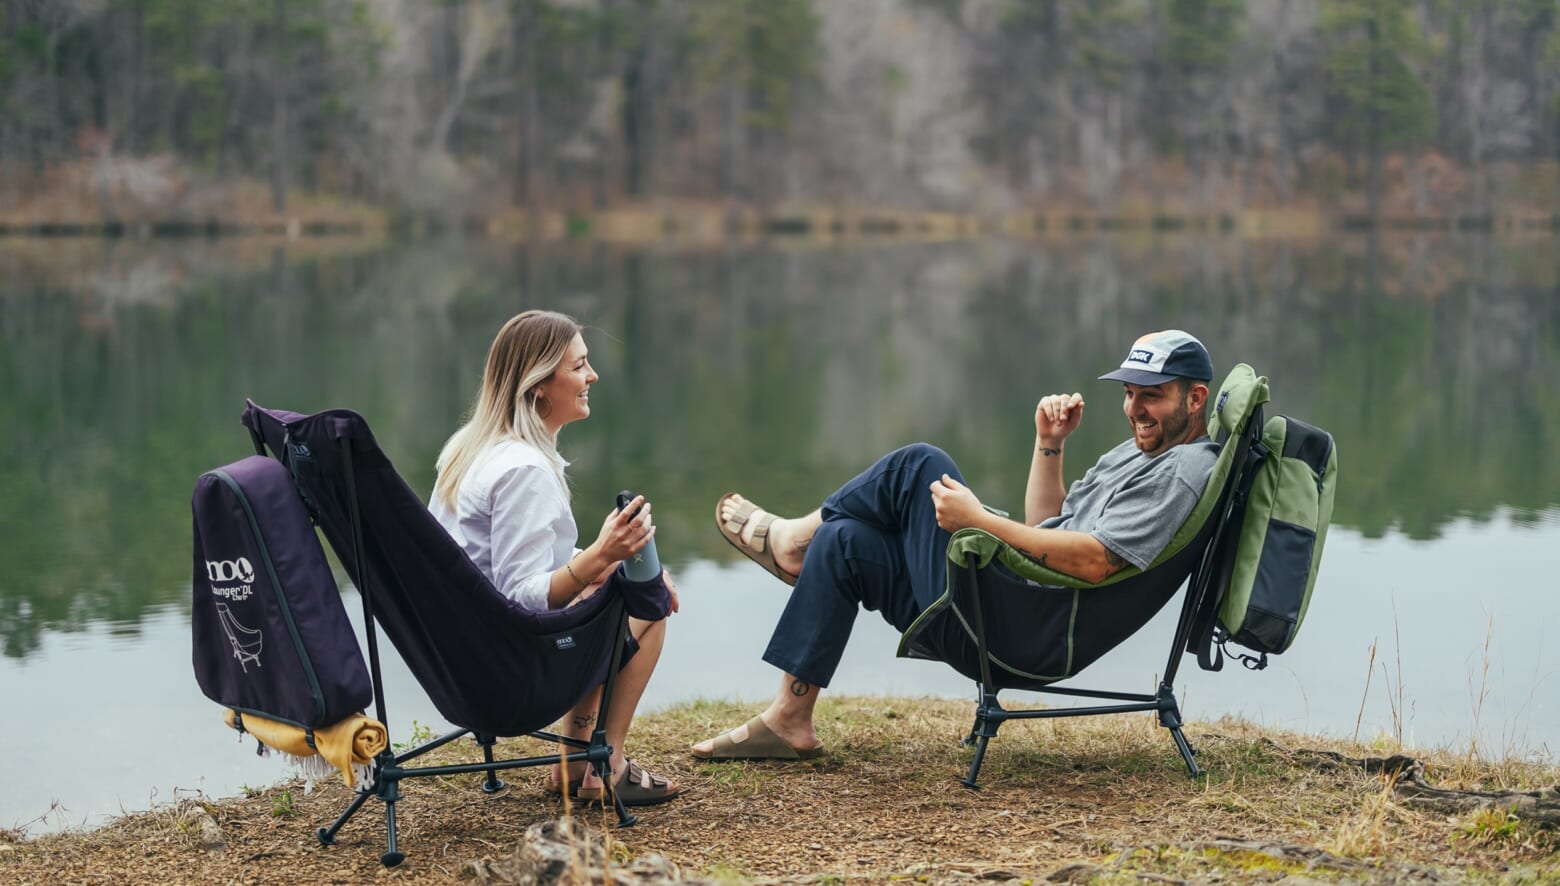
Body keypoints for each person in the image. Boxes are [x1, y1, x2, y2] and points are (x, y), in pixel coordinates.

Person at [693, 330, 1218, 761]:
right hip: (1014, 604)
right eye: (1129, 392)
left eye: (1151, 395)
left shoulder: (1182, 472)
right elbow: (1047, 526)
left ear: (1195, 399)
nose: (1134, 408)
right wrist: (1050, 445)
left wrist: (979, 522)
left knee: (921, 463)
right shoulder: (1139, 453)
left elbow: (1095, 562)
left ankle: (791, 545)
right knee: (844, 539)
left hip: (1024, 628)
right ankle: (789, 720)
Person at [431, 309, 679, 805]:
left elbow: (510, 566)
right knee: (648, 604)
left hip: (459, 661)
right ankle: (605, 766)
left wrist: (604, 563)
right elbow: (522, 596)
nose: (593, 376)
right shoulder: (525, 471)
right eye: (579, 366)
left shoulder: (471, 448)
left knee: (619, 585)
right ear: (539, 384)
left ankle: (572, 763)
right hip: (510, 675)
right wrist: (603, 557)